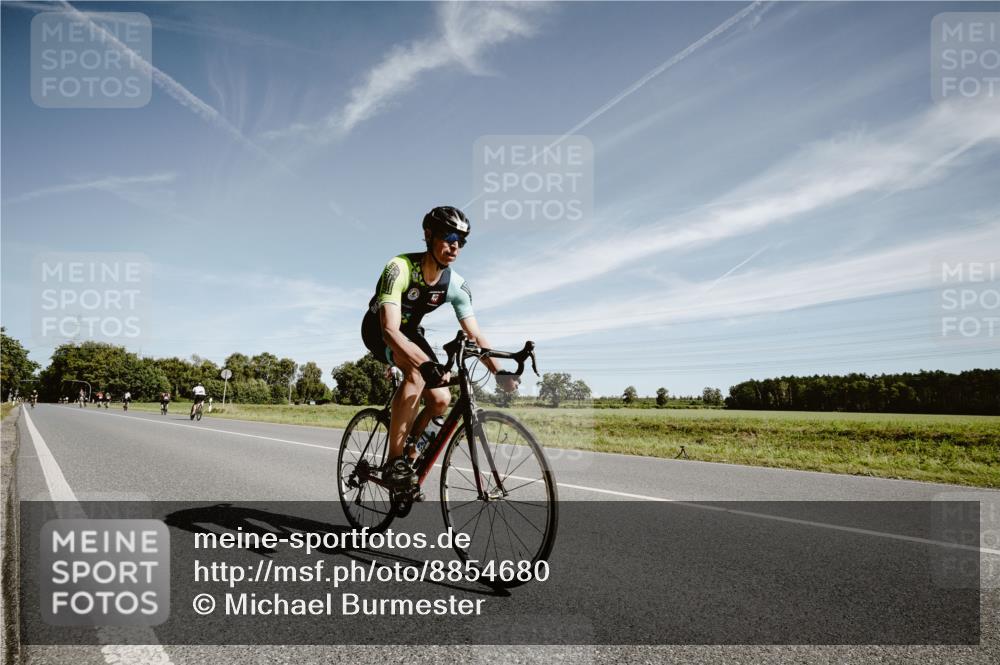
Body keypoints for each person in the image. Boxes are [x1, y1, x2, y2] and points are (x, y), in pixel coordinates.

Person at [361, 206, 518, 491]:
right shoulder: (399, 267)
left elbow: (476, 334)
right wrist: (422, 364)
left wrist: (499, 371)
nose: (455, 244)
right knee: (417, 374)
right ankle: (393, 462)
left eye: (461, 239)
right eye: (448, 236)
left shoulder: (455, 285)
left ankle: (410, 453)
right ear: (429, 235)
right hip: (380, 329)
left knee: (442, 399)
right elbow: (390, 330)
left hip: (411, 332)